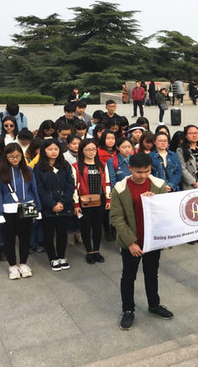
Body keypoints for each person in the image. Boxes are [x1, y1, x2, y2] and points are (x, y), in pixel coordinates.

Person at [110, 153, 174, 330]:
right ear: (129, 168)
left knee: (152, 273)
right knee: (128, 276)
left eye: (147, 171)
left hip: (152, 241)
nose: (143, 175)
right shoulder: (120, 189)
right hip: (131, 241)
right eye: (139, 172)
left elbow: (165, 212)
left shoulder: (158, 185)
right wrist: (130, 243)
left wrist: (153, 203)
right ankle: (128, 310)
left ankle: (154, 304)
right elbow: (117, 218)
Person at [0, 143, 42, 280]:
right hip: (8, 210)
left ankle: (24, 263)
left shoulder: (28, 171)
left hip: (27, 207)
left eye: (18, 156)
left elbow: (34, 190)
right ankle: (12, 265)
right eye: (11, 157)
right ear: (5, 157)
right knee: (9, 239)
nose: (15, 159)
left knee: (25, 237)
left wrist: (38, 208)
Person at [34, 139, 75, 272]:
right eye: (50, 149)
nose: (53, 152)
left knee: (62, 233)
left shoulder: (65, 165)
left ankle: (62, 256)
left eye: (56, 149)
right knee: (49, 234)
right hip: (48, 208)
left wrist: (62, 202)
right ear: (44, 151)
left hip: (64, 206)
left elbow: (70, 185)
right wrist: (52, 204)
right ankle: (52, 257)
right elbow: (40, 189)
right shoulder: (39, 168)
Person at [72, 139, 111, 264]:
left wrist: (108, 199)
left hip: (100, 199)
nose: (91, 152)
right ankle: (89, 251)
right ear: (82, 151)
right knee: (85, 226)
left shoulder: (102, 165)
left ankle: (96, 250)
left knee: (97, 226)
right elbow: (74, 187)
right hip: (84, 201)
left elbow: (107, 182)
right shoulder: (76, 166)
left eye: (93, 149)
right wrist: (76, 204)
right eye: (87, 149)